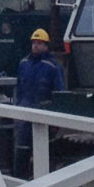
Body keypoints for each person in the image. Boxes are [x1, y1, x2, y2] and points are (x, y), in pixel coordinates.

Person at [12, 28, 65, 178]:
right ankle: (19, 183)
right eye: (34, 42)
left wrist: (56, 118)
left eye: (39, 43)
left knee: (43, 152)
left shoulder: (52, 66)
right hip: (24, 116)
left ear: (46, 46)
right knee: (21, 150)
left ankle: (41, 183)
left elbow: (59, 92)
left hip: (43, 116)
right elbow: (19, 89)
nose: (35, 46)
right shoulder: (23, 64)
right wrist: (18, 110)